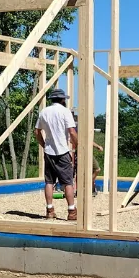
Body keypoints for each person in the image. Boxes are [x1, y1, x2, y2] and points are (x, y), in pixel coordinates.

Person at [35, 89, 79, 220]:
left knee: (49, 181)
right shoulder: (65, 112)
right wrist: (77, 146)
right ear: (62, 99)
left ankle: (49, 210)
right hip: (62, 151)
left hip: (49, 151)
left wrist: (44, 145)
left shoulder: (44, 112)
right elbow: (71, 131)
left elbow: (37, 132)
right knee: (67, 182)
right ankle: (72, 212)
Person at [71, 108, 101, 196]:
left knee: (97, 169)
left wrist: (97, 146)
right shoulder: (78, 127)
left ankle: (88, 186)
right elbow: (72, 139)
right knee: (80, 172)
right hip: (80, 152)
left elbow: (89, 140)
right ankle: (80, 190)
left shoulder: (87, 127)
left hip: (88, 152)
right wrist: (78, 144)